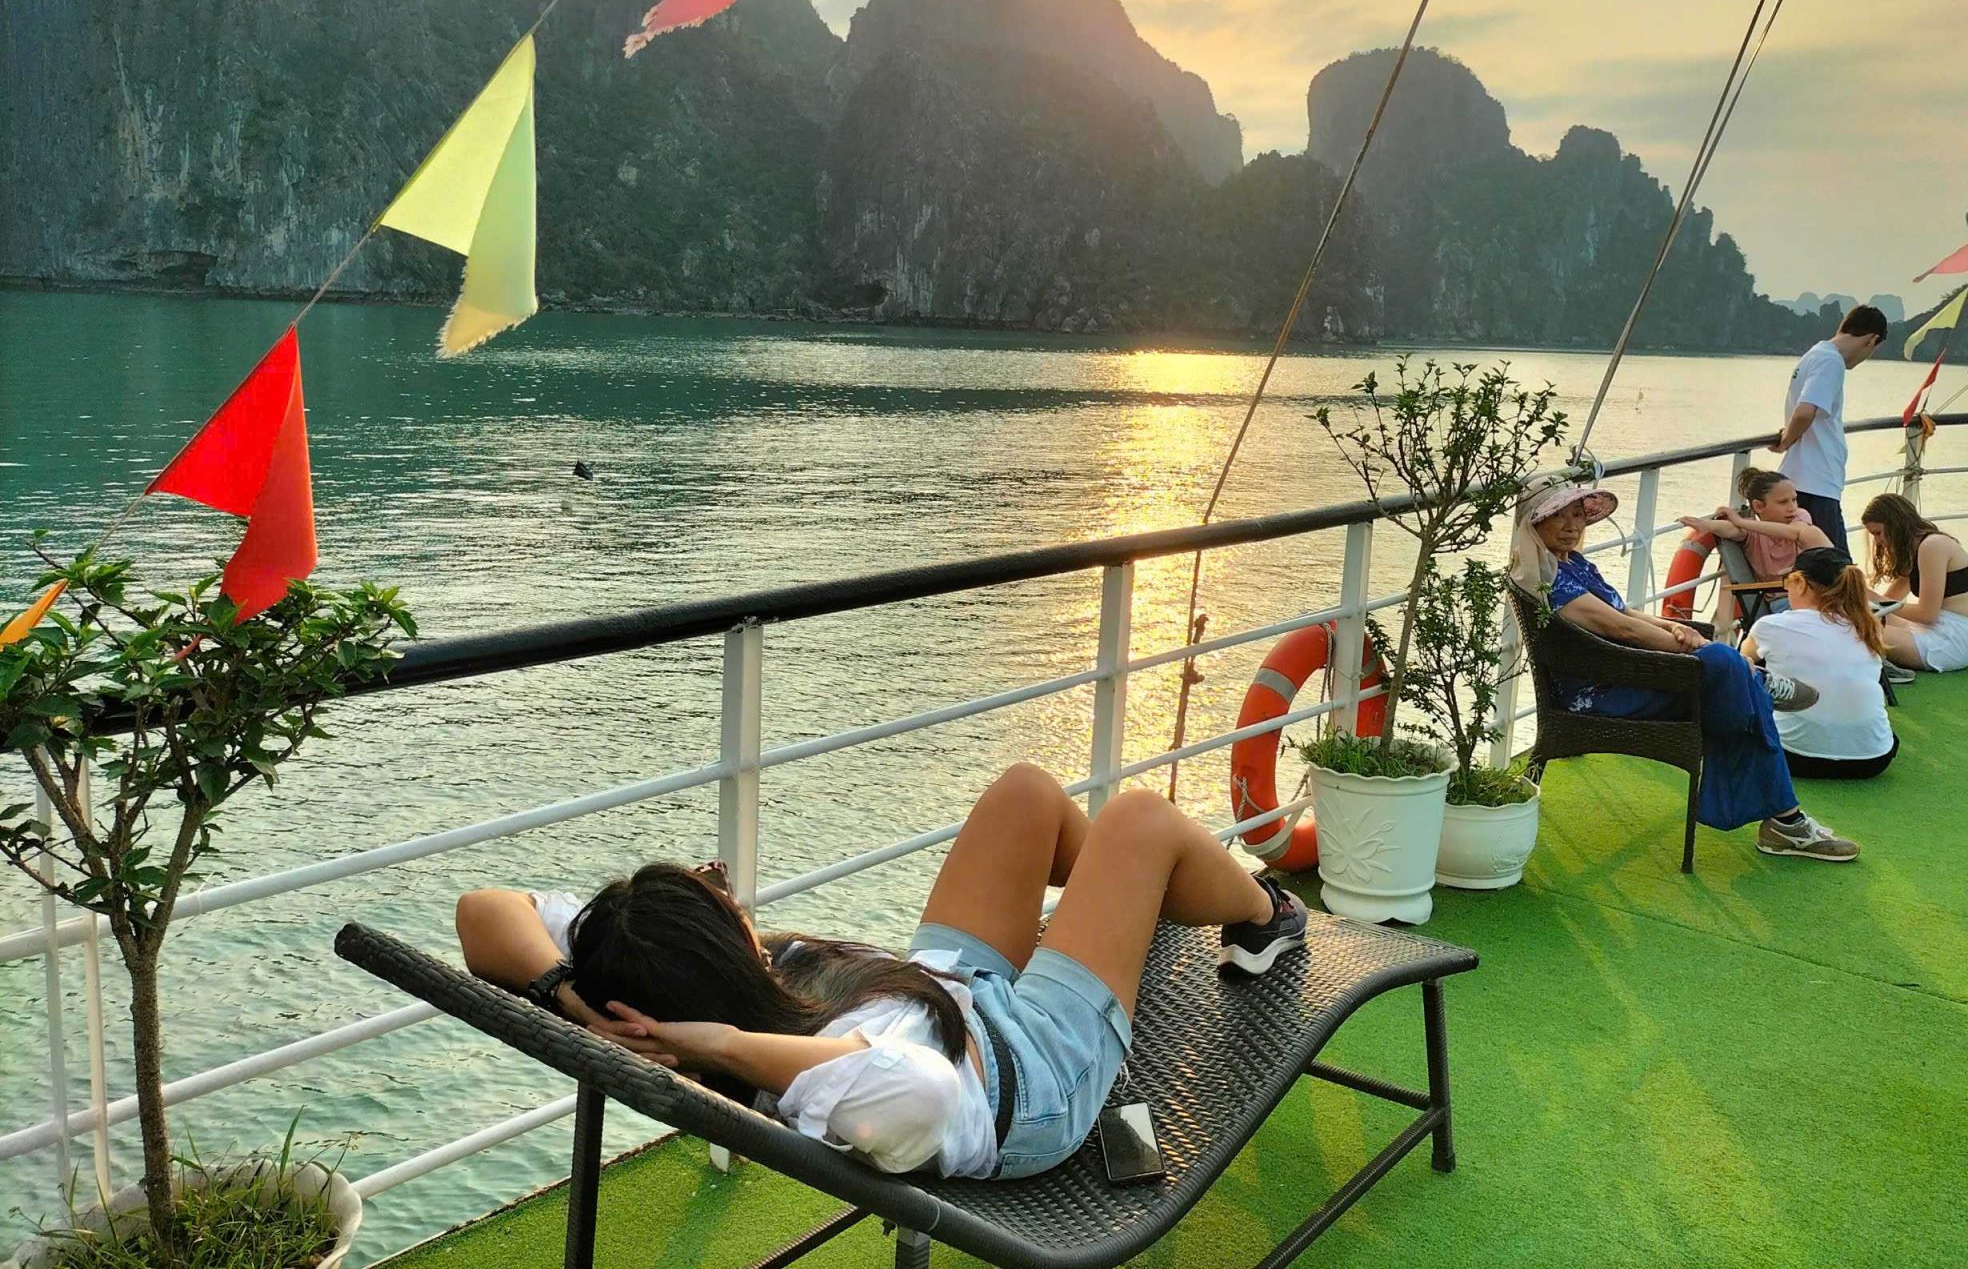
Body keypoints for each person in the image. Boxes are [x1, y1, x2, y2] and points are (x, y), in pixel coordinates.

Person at [453, 763, 1308, 1180]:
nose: (732, 889)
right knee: (1140, 820)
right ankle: (1264, 915)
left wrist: (571, 1000)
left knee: (1027, 794)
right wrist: (718, 1043)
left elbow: (483, 912)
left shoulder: (634, 970)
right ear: (717, 958)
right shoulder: (823, 1084)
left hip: (950, 993)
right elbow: (924, 1092)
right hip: (1036, 1073)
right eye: (721, 892)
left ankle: (1126, 904)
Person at [1511, 477, 1859, 862]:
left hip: (1628, 674)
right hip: (1605, 691)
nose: (1572, 525)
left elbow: (1625, 613)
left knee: (1733, 680)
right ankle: (1785, 815)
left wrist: (1674, 627)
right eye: (1558, 516)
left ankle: (1757, 695)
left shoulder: (1572, 564)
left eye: (1577, 514)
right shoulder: (1548, 582)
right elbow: (1621, 629)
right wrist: (1691, 647)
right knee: (1729, 671)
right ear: (1534, 523)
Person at [1741, 547, 1896, 779]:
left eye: (1788, 582)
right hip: (1872, 761)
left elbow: (1742, 663)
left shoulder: (1770, 626)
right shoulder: (1868, 626)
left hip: (1793, 758)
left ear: (1801, 583)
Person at [1771, 305, 1889, 551]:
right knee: (1835, 564)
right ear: (1872, 340)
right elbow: (1805, 411)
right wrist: (1786, 441)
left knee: (1816, 560)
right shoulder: (1831, 361)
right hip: (1816, 481)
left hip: (1805, 478)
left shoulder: (1816, 353)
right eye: (1873, 350)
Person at [1677, 467, 1833, 616]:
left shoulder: (1800, 517)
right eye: (1783, 502)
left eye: (1794, 500)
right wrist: (1707, 525)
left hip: (1815, 596)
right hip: (1784, 600)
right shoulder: (1752, 534)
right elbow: (1730, 529)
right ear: (1758, 506)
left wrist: (1740, 521)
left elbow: (1793, 533)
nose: (1792, 507)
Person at [1861, 492, 1968, 672]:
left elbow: (1927, 614)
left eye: (1878, 533)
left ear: (1895, 525)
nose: (1878, 542)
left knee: (1856, 629)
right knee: (1855, 619)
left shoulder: (1933, 546)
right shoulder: (1916, 549)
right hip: (1927, 628)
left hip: (1949, 640)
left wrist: (1873, 598)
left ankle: (1884, 669)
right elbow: (1888, 602)